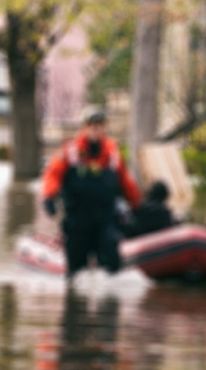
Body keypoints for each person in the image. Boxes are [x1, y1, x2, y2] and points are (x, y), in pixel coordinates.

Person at [40, 109, 142, 278]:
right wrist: (49, 196)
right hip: (78, 219)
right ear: (84, 128)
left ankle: (109, 299)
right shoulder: (70, 151)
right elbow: (52, 174)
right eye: (92, 126)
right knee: (76, 270)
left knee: (111, 263)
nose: (96, 130)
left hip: (105, 218)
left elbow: (125, 181)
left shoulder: (112, 153)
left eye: (99, 126)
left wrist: (137, 205)